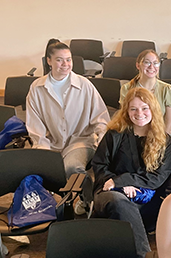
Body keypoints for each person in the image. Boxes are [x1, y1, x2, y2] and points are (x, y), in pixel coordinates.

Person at [92, 87, 171, 258]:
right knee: (119, 203)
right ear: (126, 111)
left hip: (146, 198)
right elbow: (99, 165)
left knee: (120, 221)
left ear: (153, 109)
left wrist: (122, 181)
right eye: (133, 109)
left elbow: (158, 177)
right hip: (111, 194)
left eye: (145, 108)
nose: (140, 113)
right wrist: (119, 186)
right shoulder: (115, 134)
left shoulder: (165, 141)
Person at [26, 40, 110, 178]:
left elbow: (100, 118)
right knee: (38, 170)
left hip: (81, 141)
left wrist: (102, 142)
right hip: (51, 144)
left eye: (68, 60)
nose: (65, 64)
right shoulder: (36, 88)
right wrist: (42, 152)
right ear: (49, 61)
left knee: (72, 168)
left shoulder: (84, 85)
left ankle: (86, 198)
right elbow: (35, 126)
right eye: (59, 60)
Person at [120, 49, 171, 134]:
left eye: (155, 63)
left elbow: (169, 124)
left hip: (160, 135)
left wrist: (161, 141)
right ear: (138, 65)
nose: (151, 67)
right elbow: (125, 118)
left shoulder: (168, 89)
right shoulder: (126, 89)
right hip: (133, 135)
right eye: (147, 62)